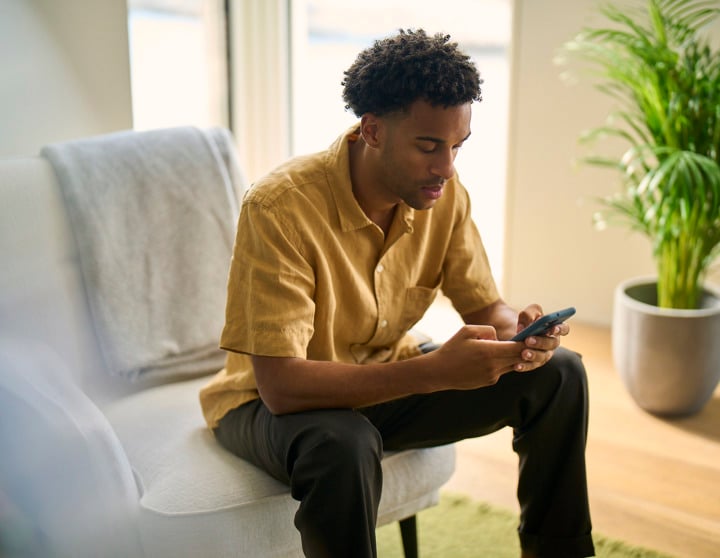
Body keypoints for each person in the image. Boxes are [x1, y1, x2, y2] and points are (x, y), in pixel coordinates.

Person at [199, 28, 595, 558]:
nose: (446, 168)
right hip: (267, 407)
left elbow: (484, 306)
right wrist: (433, 373)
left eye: (457, 146)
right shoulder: (279, 208)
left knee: (561, 373)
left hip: (386, 378)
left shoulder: (443, 194)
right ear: (373, 130)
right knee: (344, 443)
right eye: (429, 146)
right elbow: (281, 388)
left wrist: (520, 332)